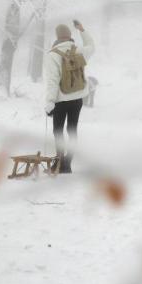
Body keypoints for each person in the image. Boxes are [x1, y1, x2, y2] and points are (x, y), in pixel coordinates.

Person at [44, 20, 95, 174]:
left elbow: (53, 80)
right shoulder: (78, 50)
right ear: (70, 35)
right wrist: (82, 30)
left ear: (57, 36)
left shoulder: (53, 55)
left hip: (60, 100)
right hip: (78, 98)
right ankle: (68, 164)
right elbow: (92, 46)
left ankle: (58, 164)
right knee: (72, 129)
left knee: (58, 131)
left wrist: (50, 102)